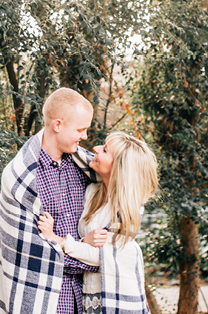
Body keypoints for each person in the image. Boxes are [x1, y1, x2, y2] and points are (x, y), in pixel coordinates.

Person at [0, 88, 106, 314]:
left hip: (86, 299)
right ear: (58, 125)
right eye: (80, 129)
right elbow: (35, 255)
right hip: (44, 300)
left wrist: (95, 252)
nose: (85, 137)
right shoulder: (21, 178)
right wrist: (93, 256)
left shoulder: (83, 168)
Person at [37, 132, 158, 314]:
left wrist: (56, 239)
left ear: (118, 167)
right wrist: (84, 243)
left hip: (113, 296)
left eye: (104, 150)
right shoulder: (92, 191)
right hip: (89, 292)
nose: (95, 149)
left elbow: (102, 257)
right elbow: (95, 249)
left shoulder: (127, 209)